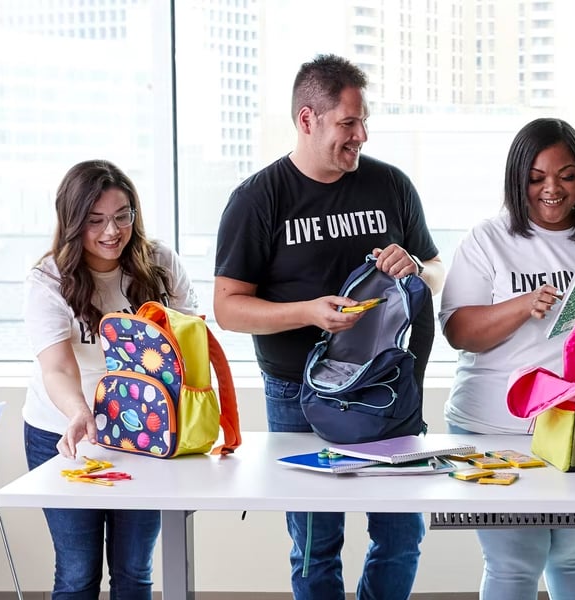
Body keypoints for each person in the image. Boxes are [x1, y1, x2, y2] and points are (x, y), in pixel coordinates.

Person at [213, 54, 444, 600]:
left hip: (386, 387)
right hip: (297, 392)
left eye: (363, 122)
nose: (361, 135)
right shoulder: (257, 199)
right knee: (316, 544)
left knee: (402, 532)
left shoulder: (391, 185)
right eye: (348, 122)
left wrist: (416, 266)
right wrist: (308, 312)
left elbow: (436, 270)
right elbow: (228, 308)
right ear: (308, 119)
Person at [438, 117, 575, 600]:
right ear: (517, 180)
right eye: (536, 177)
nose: (552, 189)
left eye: (566, 175)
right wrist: (520, 307)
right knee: (514, 563)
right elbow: (458, 332)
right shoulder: (487, 240)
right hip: (496, 426)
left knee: (574, 555)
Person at [23, 159, 198, 599]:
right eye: (95, 220)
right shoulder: (48, 280)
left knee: (135, 571)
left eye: (122, 216)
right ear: (71, 221)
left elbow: (191, 338)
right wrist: (81, 412)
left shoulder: (159, 263)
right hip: (63, 432)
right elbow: (58, 367)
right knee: (78, 573)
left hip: (145, 434)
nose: (111, 231)